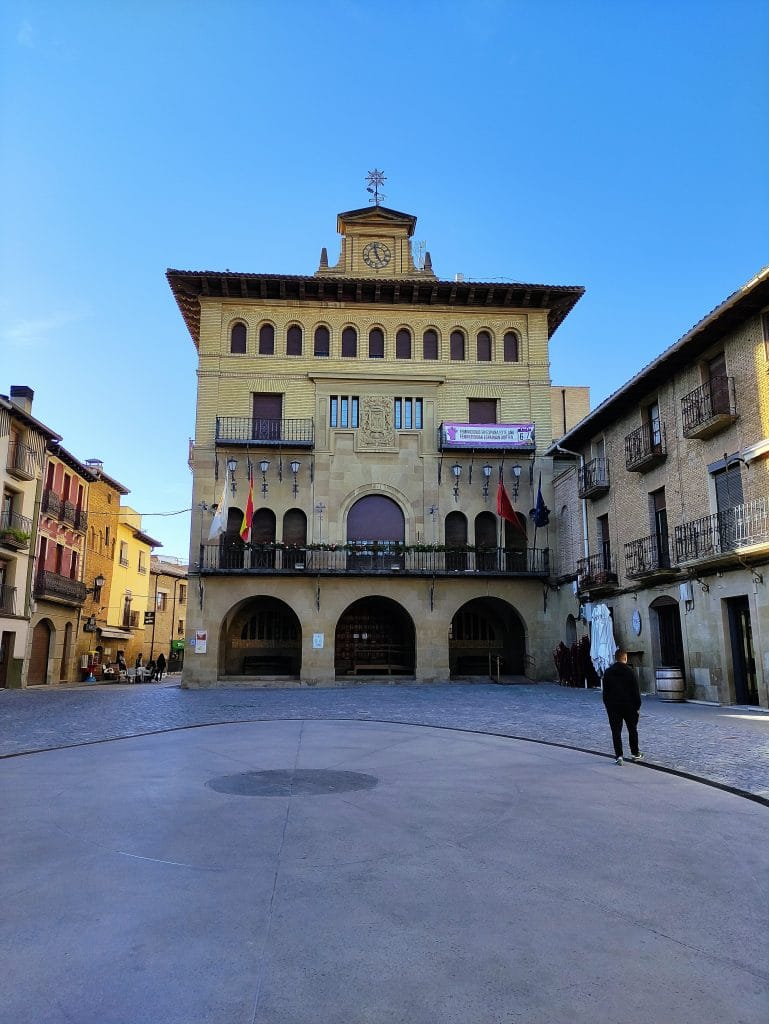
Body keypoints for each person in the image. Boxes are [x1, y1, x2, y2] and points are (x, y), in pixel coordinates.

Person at [601, 650, 643, 765]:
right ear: (625, 658)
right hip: (629, 706)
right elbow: (636, 691)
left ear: (616, 658)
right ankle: (635, 753)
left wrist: (608, 706)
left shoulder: (608, 672)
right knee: (632, 729)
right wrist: (637, 706)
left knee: (616, 731)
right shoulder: (630, 672)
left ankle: (619, 755)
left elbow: (605, 693)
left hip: (614, 706)